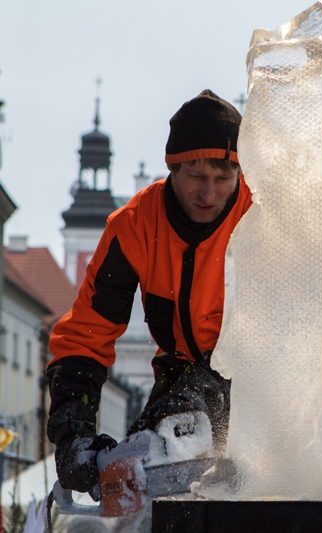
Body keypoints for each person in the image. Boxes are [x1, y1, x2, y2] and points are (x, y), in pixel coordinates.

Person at [45, 90, 252, 501]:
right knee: (147, 459)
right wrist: (73, 435)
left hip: (256, 374)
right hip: (176, 373)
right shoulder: (134, 227)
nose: (209, 195)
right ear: (172, 169)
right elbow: (86, 334)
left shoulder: (261, 215)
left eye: (223, 178)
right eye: (196, 177)